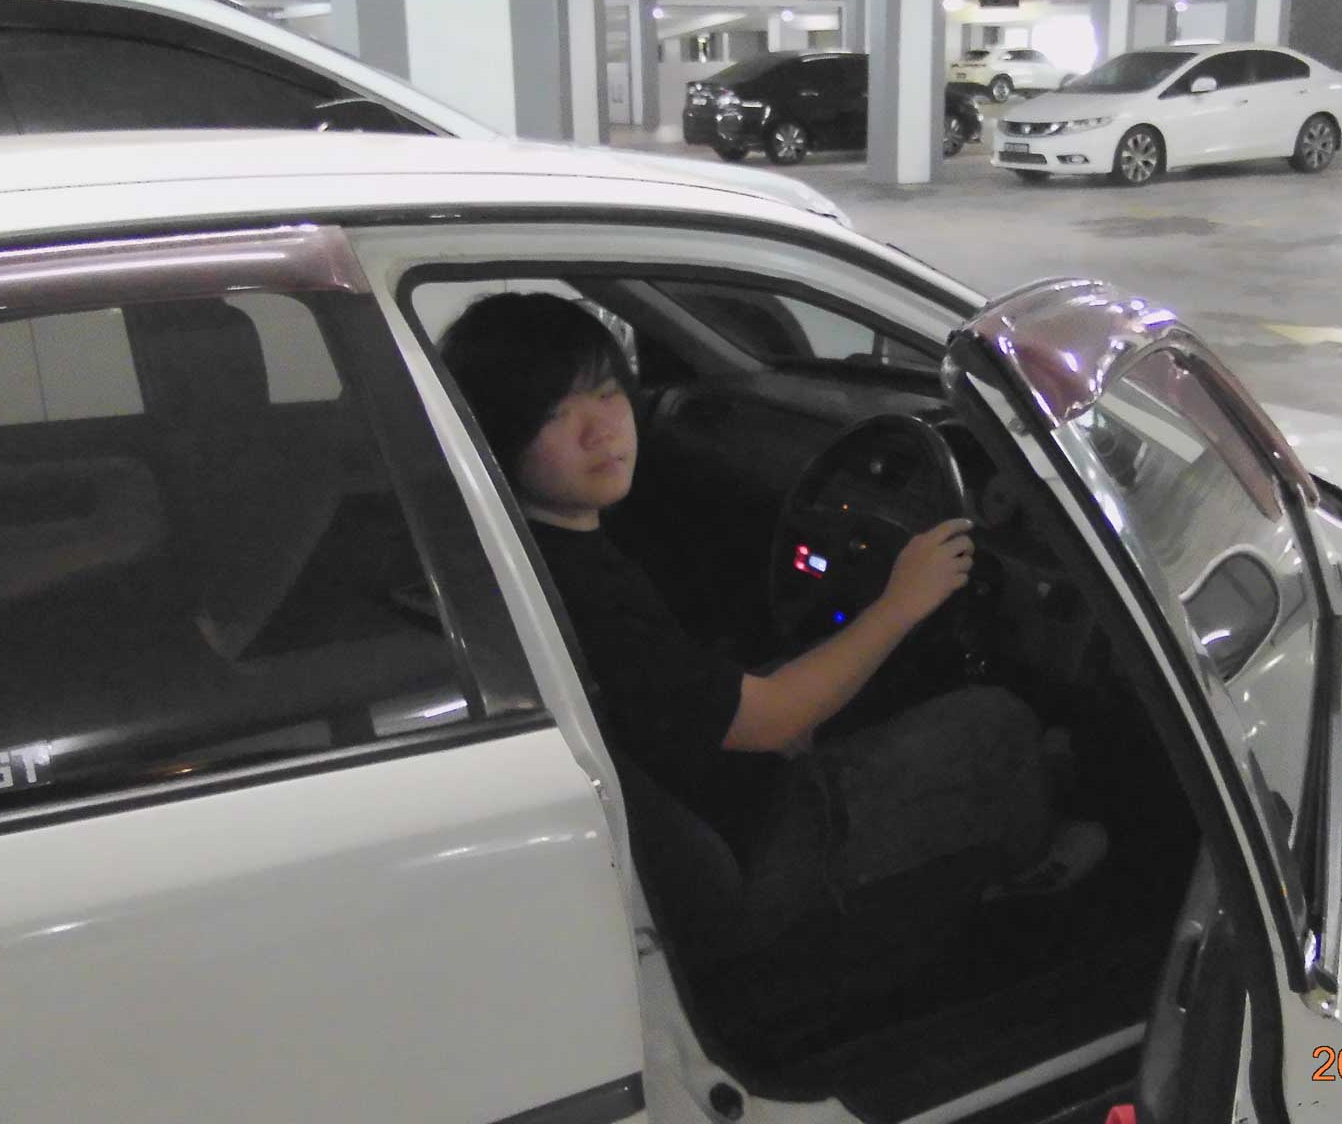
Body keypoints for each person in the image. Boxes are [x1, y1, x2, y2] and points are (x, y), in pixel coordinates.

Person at [438, 292, 1103, 923]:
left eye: (607, 392)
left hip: (692, 789)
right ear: (497, 435)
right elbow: (766, 719)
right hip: (750, 846)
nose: (601, 429)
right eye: (557, 413)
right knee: (996, 721)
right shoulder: (583, 589)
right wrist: (903, 601)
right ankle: (1023, 883)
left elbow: (705, 698)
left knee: (842, 675)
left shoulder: (531, 549)